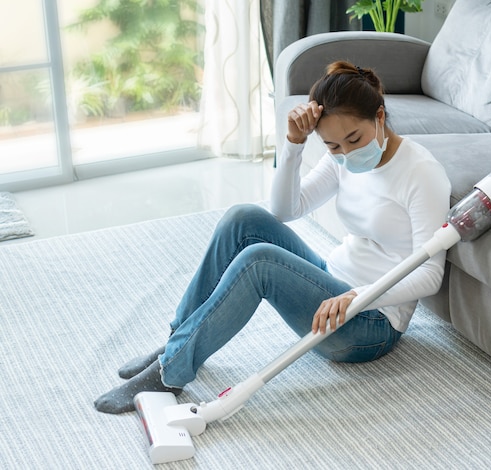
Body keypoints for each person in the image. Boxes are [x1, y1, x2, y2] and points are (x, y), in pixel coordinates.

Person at [94, 61, 451, 414]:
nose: (346, 152)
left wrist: (361, 295)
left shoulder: (421, 173)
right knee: (244, 218)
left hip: (369, 323)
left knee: (260, 261)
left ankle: (170, 372)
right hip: (332, 284)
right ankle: (177, 342)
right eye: (333, 146)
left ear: (380, 116)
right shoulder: (344, 158)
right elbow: (284, 210)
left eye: (354, 139)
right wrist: (294, 144)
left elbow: (430, 275)